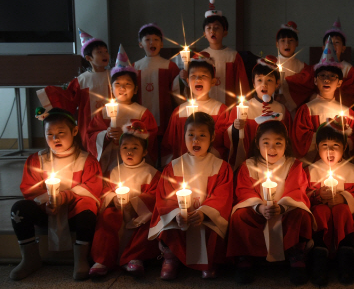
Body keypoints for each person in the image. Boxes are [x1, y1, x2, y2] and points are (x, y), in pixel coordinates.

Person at [10, 108, 102, 280]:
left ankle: (81, 259)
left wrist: (64, 197)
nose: (55, 138)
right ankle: (30, 258)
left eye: (61, 132)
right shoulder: (37, 160)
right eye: (50, 134)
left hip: (73, 213)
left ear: (74, 131)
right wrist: (46, 205)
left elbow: (91, 188)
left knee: (88, 208)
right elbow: (30, 188)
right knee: (19, 210)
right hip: (46, 212)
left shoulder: (86, 160)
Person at [227, 121, 313, 285]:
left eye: (278, 143)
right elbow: (244, 190)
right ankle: (245, 258)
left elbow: (297, 190)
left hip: (285, 212)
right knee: (239, 216)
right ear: (257, 144)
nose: (272, 149)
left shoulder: (293, 165)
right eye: (266, 143)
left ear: (286, 144)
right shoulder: (249, 165)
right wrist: (259, 207)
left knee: (301, 214)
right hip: (257, 212)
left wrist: (281, 207)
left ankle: (296, 256)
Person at [149, 113, 233, 280]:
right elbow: (166, 196)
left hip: (206, 217)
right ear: (184, 136)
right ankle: (171, 258)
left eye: (202, 135)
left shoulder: (220, 166)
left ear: (212, 137)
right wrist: (177, 214)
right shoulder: (173, 167)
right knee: (170, 228)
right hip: (180, 217)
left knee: (212, 228)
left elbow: (222, 195)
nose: (196, 140)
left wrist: (204, 212)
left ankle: (208, 262)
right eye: (191, 135)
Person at [89, 121, 161, 277]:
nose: (129, 152)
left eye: (135, 148)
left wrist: (135, 203)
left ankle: (135, 258)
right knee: (106, 218)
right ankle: (103, 260)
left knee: (148, 225)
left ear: (144, 152)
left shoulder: (151, 173)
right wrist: (113, 198)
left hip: (140, 215)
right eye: (125, 148)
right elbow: (105, 191)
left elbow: (156, 195)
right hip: (118, 211)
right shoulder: (114, 171)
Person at [305, 123, 354, 285]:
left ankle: (345, 256)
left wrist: (345, 197)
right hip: (321, 212)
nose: (330, 151)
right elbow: (302, 194)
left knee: (341, 210)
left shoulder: (353, 171)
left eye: (335, 146)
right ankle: (320, 257)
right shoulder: (310, 170)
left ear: (344, 147)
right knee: (321, 212)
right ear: (317, 147)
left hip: (344, 214)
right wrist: (317, 194)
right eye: (324, 146)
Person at [86, 45, 158, 172]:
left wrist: (125, 136)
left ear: (136, 89)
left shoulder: (142, 113)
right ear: (111, 89)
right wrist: (106, 135)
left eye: (127, 84)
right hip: (110, 160)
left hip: (135, 161)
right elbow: (91, 135)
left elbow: (151, 139)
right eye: (117, 84)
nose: (122, 88)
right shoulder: (103, 112)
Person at [36, 28, 111, 150]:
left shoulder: (113, 75)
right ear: (88, 58)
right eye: (99, 52)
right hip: (89, 123)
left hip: (111, 120)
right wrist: (51, 94)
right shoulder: (81, 80)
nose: (104, 54)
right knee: (91, 148)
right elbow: (69, 99)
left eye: (106, 51)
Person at [215, 55, 291, 170]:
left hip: (274, 162)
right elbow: (227, 139)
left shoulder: (281, 110)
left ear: (277, 84)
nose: (264, 84)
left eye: (269, 80)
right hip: (248, 162)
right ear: (254, 84)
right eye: (260, 80)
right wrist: (235, 128)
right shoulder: (241, 108)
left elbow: (288, 137)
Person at [292, 39, 354, 165]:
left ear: (339, 83)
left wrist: (343, 137)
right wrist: (331, 135)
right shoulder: (307, 110)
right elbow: (299, 140)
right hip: (313, 165)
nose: (327, 80)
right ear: (315, 80)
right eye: (323, 76)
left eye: (332, 76)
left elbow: (353, 142)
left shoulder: (347, 111)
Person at [161, 52, 226, 165]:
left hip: (211, 166)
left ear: (213, 81)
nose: (198, 79)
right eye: (193, 76)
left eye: (203, 76)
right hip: (184, 168)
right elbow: (169, 145)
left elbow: (225, 145)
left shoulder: (220, 110)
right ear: (187, 80)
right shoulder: (179, 112)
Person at [196, 0, 249, 106]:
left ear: (225, 32)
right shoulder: (200, 57)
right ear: (204, 34)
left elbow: (241, 85)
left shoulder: (233, 56)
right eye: (209, 28)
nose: (212, 31)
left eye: (216, 28)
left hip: (229, 106)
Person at [134, 23, 180, 135]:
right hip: (140, 112)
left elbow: (177, 92)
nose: (152, 42)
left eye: (156, 39)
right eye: (147, 39)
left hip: (164, 113)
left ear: (161, 44)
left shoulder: (170, 66)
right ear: (140, 44)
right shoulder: (135, 67)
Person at [273, 21, 315, 113]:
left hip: (294, 110)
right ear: (277, 44)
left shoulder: (302, 66)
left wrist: (287, 83)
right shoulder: (271, 64)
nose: (287, 44)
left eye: (290, 40)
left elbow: (305, 88)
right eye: (283, 41)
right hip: (274, 106)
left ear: (297, 43)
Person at [322, 18, 354, 107]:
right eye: (329, 42)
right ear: (323, 47)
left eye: (337, 42)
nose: (333, 45)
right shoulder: (317, 68)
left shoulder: (348, 69)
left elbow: (351, 92)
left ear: (343, 48)